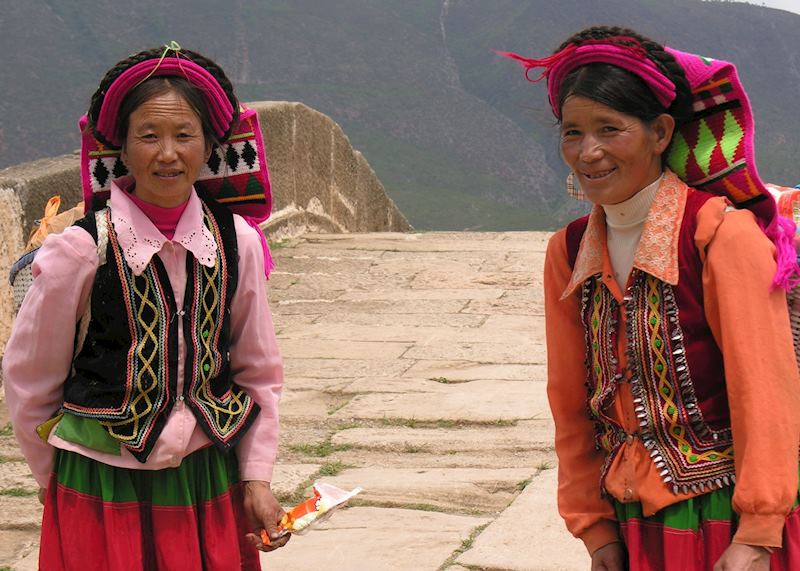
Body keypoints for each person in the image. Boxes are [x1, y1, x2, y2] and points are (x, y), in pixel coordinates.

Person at [500, 26, 800, 570]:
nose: (588, 152)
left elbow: (765, 391)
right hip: (630, 523)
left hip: (727, 521)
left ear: (660, 132)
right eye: (572, 133)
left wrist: (757, 531)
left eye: (609, 129)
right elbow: (570, 403)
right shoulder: (569, 250)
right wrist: (594, 529)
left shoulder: (718, 235)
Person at [3, 43, 288, 569]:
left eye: (184, 135)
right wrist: (52, 477)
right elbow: (29, 379)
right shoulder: (81, 251)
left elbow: (258, 371)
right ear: (122, 147)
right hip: (99, 480)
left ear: (210, 146)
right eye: (149, 136)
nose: (168, 154)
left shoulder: (237, 244)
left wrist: (256, 478)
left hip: (206, 475)